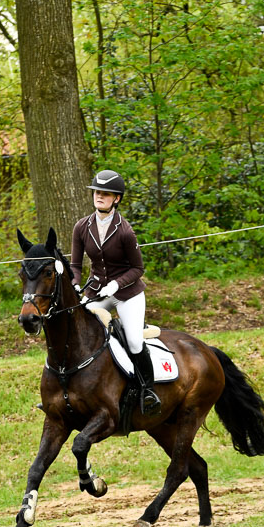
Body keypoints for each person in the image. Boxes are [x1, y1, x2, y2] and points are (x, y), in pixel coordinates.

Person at [71, 169, 161, 416]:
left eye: (105, 193)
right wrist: (76, 283)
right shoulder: (81, 227)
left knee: (133, 341)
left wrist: (117, 284)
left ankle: (147, 390)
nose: (99, 196)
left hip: (128, 293)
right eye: (97, 192)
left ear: (116, 199)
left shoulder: (125, 231)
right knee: (80, 332)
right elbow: (76, 265)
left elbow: (138, 268)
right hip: (97, 292)